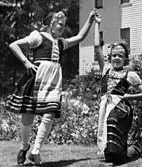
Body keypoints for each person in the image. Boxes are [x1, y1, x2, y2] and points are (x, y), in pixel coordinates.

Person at [6, 10, 96, 166]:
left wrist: (90, 20)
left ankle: (35, 151)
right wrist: (26, 62)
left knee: (49, 113)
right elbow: (14, 45)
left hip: (53, 81)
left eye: (64, 25)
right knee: (28, 116)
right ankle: (24, 147)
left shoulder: (61, 42)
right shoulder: (38, 36)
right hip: (37, 78)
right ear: (51, 24)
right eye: (60, 24)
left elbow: (80, 37)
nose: (62, 27)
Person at [94, 13, 142, 165]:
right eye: (114, 56)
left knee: (118, 155)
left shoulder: (130, 74)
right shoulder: (105, 68)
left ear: (126, 58)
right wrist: (96, 24)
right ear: (110, 57)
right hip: (106, 106)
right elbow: (96, 47)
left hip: (121, 108)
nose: (117, 58)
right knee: (111, 154)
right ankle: (134, 147)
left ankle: (135, 149)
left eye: (120, 56)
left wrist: (127, 97)